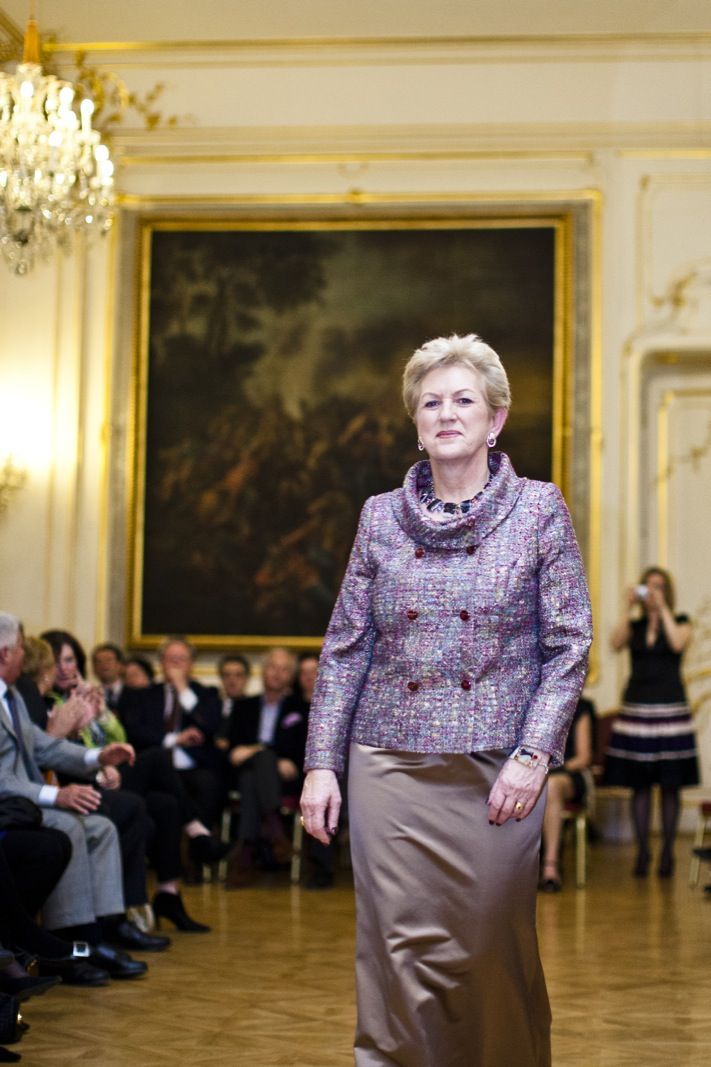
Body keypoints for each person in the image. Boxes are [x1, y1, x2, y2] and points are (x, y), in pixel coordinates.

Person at [300, 333, 592, 1067]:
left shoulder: (538, 508)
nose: (446, 413)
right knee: (394, 949)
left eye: (464, 400)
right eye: (431, 402)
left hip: (497, 769)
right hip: (388, 761)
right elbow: (345, 648)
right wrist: (321, 764)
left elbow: (569, 643)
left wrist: (535, 753)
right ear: (416, 421)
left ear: (495, 419)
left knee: (489, 948)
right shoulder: (378, 516)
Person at [0, 613, 148, 980]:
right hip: (10, 804)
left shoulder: (12, 695)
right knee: (70, 826)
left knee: (101, 827)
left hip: (24, 800)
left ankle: (100, 932)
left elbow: (44, 746)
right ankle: (69, 942)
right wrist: (56, 794)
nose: (25, 655)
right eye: (21, 648)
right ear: (5, 653)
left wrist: (97, 756)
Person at [605, 567, 698, 877]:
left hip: (671, 711)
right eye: (648, 586)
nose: (653, 591)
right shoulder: (635, 624)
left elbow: (677, 644)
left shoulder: (681, 620)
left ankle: (668, 852)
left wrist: (663, 610)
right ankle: (642, 851)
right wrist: (628, 607)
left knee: (671, 784)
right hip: (636, 710)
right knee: (640, 785)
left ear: (667, 591)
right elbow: (615, 643)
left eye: (659, 587)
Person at [120, 636, 224, 828]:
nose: (176, 664)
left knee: (208, 783)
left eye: (181, 659)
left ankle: (200, 839)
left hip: (193, 767)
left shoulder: (208, 693)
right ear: (161, 662)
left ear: (191, 664)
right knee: (161, 801)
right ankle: (198, 834)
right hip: (156, 768)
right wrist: (175, 739)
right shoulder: (145, 695)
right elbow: (135, 731)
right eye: (170, 659)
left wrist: (182, 689)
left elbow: (210, 724)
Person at [224, 648, 307, 887]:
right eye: (272, 667)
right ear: (263, 671)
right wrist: (262, 752)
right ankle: (276, 830)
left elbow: (301, 748)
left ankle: (246, 853)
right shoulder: (244, 706)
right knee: (255, 769)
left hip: (283, 776)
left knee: (253, 775)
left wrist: (262, 752)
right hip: (248, 770)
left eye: (284, 669)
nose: (277, 674)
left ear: (290, 676)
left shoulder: (300, 708)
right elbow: (234, 750)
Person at [539, 696, 595, 891]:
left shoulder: (580, 707)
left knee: (552, 786)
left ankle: (550, 866)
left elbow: (583, 757)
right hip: (533, 772)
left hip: (568, 773)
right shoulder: (529, 701)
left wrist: (549, 768)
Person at [91, 643, 126, 710]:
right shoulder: (90, 696)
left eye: (109, 660)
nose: (104, 665)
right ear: (94, 668)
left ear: (120, 665)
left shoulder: (134, 693)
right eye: (99, 662)